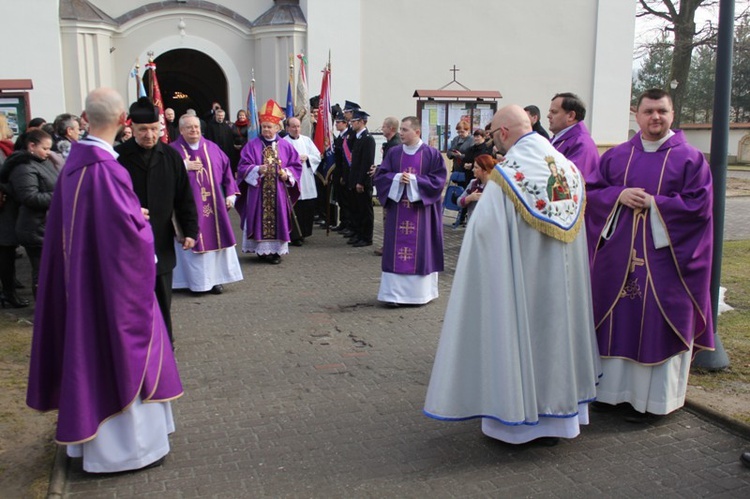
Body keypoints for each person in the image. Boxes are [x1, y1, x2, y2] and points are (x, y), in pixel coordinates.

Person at [26, 87, 182, 473]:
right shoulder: (106, 170)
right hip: (113, 291)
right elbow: (127, 241)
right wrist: (141, 226)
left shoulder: (75, 163)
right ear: (122, 122)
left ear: (85, 118)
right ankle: (131, 451)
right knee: (121, 353)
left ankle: (89, 444)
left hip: (83, 282)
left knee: (87, 353)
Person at [424, 104, 599, 446]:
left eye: (492, 136)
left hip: (520, 284)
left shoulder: (507, 176)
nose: (493, 144)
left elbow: (483, 239)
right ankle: (558, 421)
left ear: (502, 133)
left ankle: (516, 424)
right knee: (555, 343)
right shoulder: (568, 168)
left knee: (516, 339)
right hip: (560, 289)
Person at [585, 88, 714, 423]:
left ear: (672, 115)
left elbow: (699, 208)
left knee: (658, 325)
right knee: (614, 321)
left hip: (667, 265)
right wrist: (618, 195)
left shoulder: (690, 158)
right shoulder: (616, 156)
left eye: (662, 111)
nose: (655, 117)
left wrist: (656, 203)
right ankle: (609, 394)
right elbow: (592, 194)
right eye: (648, 111)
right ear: (637, 115)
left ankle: (654, 403)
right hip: (619, 262)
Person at [116, 97, 199, 345]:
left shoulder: (171, 157)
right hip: (126, 243)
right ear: (132, 129)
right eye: (143, 130)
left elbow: (184, 198)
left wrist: (190, 231)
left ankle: (164, 343)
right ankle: (134, 346)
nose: (149, 135)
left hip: (160, 241)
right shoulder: (118, 157)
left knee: (163, 296)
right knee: (130, 299)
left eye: (154, 129)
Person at [374, 116, 446, 306]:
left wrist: (414, 181)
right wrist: (397, 178)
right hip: (398, 212)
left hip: (421, 215)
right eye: (401, 130)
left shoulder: (432, 154)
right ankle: (393, 295)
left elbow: (438, 182)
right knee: (395, 251)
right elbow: (381, 176)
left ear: (417, 132)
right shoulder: (394, 153)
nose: (401, 133)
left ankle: (418, 295)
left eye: (405, 130)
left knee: (420, 250)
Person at [170, 114, 242, 294]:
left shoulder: (213, 148)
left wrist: (231, 194)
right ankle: (188, 281)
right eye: (189, 127)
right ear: (181, 130)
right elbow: (161, 177)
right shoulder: (172, 152)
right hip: (185, 209)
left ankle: (216, 280)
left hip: (213, 207)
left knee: (215, 241)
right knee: (189, 244)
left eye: (196, 127)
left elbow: (227, 171)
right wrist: (182, 165)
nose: (194, 130)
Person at [236, 99, 302, 264]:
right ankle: (261, 251)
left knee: (278, 217)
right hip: (258, 192)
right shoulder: (252, 146)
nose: (266, 129)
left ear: (277, 128)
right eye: (264, 126)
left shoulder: (286, 146)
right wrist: (257, 169)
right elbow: (242, 166)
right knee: (258, 217)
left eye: (269, 126)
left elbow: (296, 166)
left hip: (278, 192)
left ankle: (276, 252)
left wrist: (287, 174)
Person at [2, 128, 58, 298]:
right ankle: (42, 312)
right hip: (34, 227)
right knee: (41, 273)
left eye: (49, 149)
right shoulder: (24, 167)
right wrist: (60, 195)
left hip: (44, 224)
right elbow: (29, 197)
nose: (48, 153)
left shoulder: (41, 162)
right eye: (45, 148)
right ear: (31, 146)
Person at [0, 115, 29, 308]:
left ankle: (9, 290)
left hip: (6, 207)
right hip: (3, 209)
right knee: (5, 250)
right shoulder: (2, 151)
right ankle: (8, 293)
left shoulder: (5, 149)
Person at [283, 116, 321, 245]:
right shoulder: (283, 142)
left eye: (298, 126)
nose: (296, 129)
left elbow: (317, 156)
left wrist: (308, 157)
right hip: (292, 180)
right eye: (293, 126)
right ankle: (294, 235)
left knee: (307, 207)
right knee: (295, 207)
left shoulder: (307, 140)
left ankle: (304, 233)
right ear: (287, 128)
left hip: (306, 178)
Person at [547, 92, 600, 182]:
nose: (548, 116)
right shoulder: (558, 138)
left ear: (571, 116)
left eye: (554, 112)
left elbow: (572, 181)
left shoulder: (582, 144)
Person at [345, 109, 376, 247]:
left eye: (354, 121)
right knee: (357, 209)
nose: (351, 124)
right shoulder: (357, 137)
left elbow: (366, 162)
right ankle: (358, 234)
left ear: (362, 122)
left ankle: (366, 237)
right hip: (354, 178)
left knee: (365, 211)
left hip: (362, 181)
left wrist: (361, 181)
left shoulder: (367, 139)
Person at [372, 116, 402, 256]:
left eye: (384, 126)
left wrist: (379, 171)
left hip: (392, 188)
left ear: (391, 129)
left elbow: (393, 167)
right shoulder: (391, 143)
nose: (382, 128)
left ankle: (389, 246)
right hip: (389, 186)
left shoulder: (395, 145)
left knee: (389, 218)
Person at [456, 153, 494, 221]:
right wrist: (470, 198)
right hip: (472, 225)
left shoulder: (494, 187)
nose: (473, 170)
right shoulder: (473, 183)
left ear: (485, 170)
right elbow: (459, 202)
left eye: (476, 167)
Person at [230, 109, 250, 174]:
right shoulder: (234, 125)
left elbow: (249, 137)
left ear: (246, 116)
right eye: (240, 115)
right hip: (235, 148)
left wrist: (242, 146)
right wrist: (233, 145)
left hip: (245, 147)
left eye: (243, 115)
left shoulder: (249, 125)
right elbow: (231, 136)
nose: (241, 117)